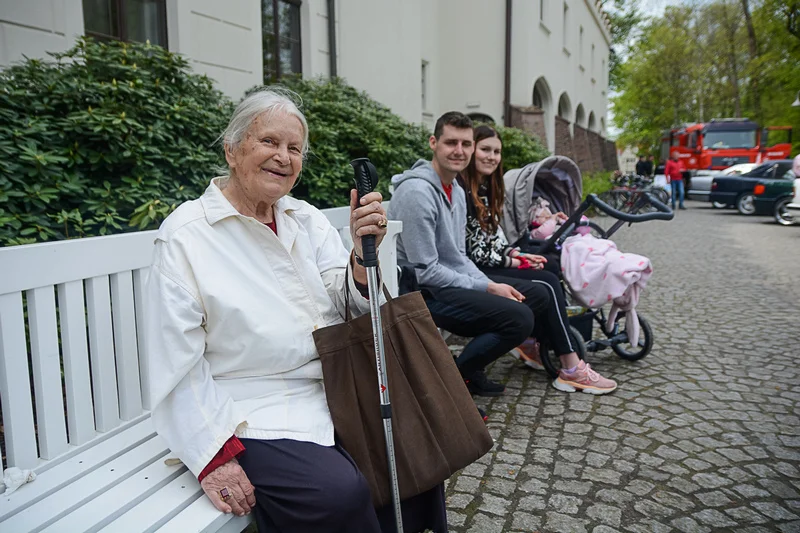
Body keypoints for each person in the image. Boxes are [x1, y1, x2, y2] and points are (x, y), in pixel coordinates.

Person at [145, 88, 446, 533]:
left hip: (334, 386)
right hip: (248, 406)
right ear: (232, 150)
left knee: (413, 448)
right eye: (269, 142)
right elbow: (176, 363)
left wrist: (364, 261)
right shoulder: (186, 237)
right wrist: (213, 456)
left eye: (294, 148)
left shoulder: (304, 219)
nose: (283, 157)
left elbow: (347, 304)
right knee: (338, 496)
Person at [387, 112, 551, 398]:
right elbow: (426, 270)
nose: (459, 151)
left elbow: (459, 256)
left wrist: (489, 283)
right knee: (519, 318)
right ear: (433, 143)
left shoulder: (456, 190)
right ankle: (455, 379)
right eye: (451, 142)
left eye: (466, 144)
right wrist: (487, 286)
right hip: (418, 291)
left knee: (538, 294)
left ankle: (470, 369)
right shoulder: (417, 193)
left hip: (444, 282)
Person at [459, 125, 617, 395]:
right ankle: (570, 366)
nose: (491, 156)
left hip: (485, 263)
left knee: (548, 267)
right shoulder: (464, 192)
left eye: (496, 151)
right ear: (472, 150)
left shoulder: (488, 188)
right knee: (544, 284)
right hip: (471, 271)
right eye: (485, 149)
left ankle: (539, 342)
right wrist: (514, 262)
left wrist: (518, 255)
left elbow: (494, 239)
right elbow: (475, 251)